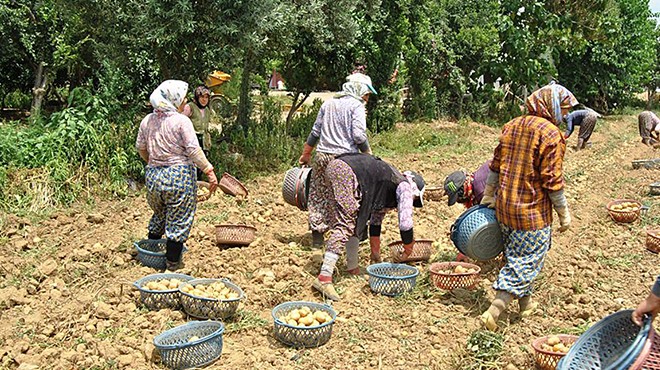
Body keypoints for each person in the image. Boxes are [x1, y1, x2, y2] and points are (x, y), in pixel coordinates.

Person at [479, 82, 577, 331]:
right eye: (564, 110)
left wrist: (489, 194)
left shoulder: (512, 125)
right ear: (551, 105)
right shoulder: (551, 134)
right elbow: (552, 180)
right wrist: (564, 213)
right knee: (526, 260)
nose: (566, 116)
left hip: (505, 209)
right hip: (531, 214)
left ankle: (526, 305)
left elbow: (495, 166)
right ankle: (495, 310)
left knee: (518, 257)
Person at [312, 153, 425, 301]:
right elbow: (405, 224)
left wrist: (375, 253)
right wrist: (409, 247)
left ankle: (352, 267)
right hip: (345, 172)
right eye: (414, 199)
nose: (411, 202)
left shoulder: (386, 186)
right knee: (345, 225)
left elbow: (375, 223)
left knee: (354, 220)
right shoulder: (405, 186)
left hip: (336, 167)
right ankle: (324, 277)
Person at [136, 80, 219, 271]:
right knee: (178, 219)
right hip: (178, 177)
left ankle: (152, 252)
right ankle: (172, 262)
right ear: (173, 100)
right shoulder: (181, 121)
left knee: (160, 214)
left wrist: (153, 162)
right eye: (182, 98)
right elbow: (193, 151)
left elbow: (141, 148)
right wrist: (209, 171)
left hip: (154, 178)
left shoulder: (147, 120)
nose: (185, 102)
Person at [299, 73, 377, 249]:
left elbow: (315, 132)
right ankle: (347, 240)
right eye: (366, 93)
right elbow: (358, 135)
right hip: (346, 160)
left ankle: (318, 240)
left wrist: (306, 154)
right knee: (347, 199)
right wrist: (368, 155)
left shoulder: (328, 103)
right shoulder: (356, 106)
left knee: (319, 196)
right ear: (359, 89)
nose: (367, 98)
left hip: (323, 156)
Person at [183, 86, 216, 180]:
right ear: (197, 97)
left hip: (204, 141)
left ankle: (198, 184)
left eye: (206, 97)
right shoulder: (189, 107)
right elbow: (181, 123)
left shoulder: (207, 110)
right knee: (191, 164)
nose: (204, 100)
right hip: (192, 140)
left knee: (201, 166)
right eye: (202, 97)